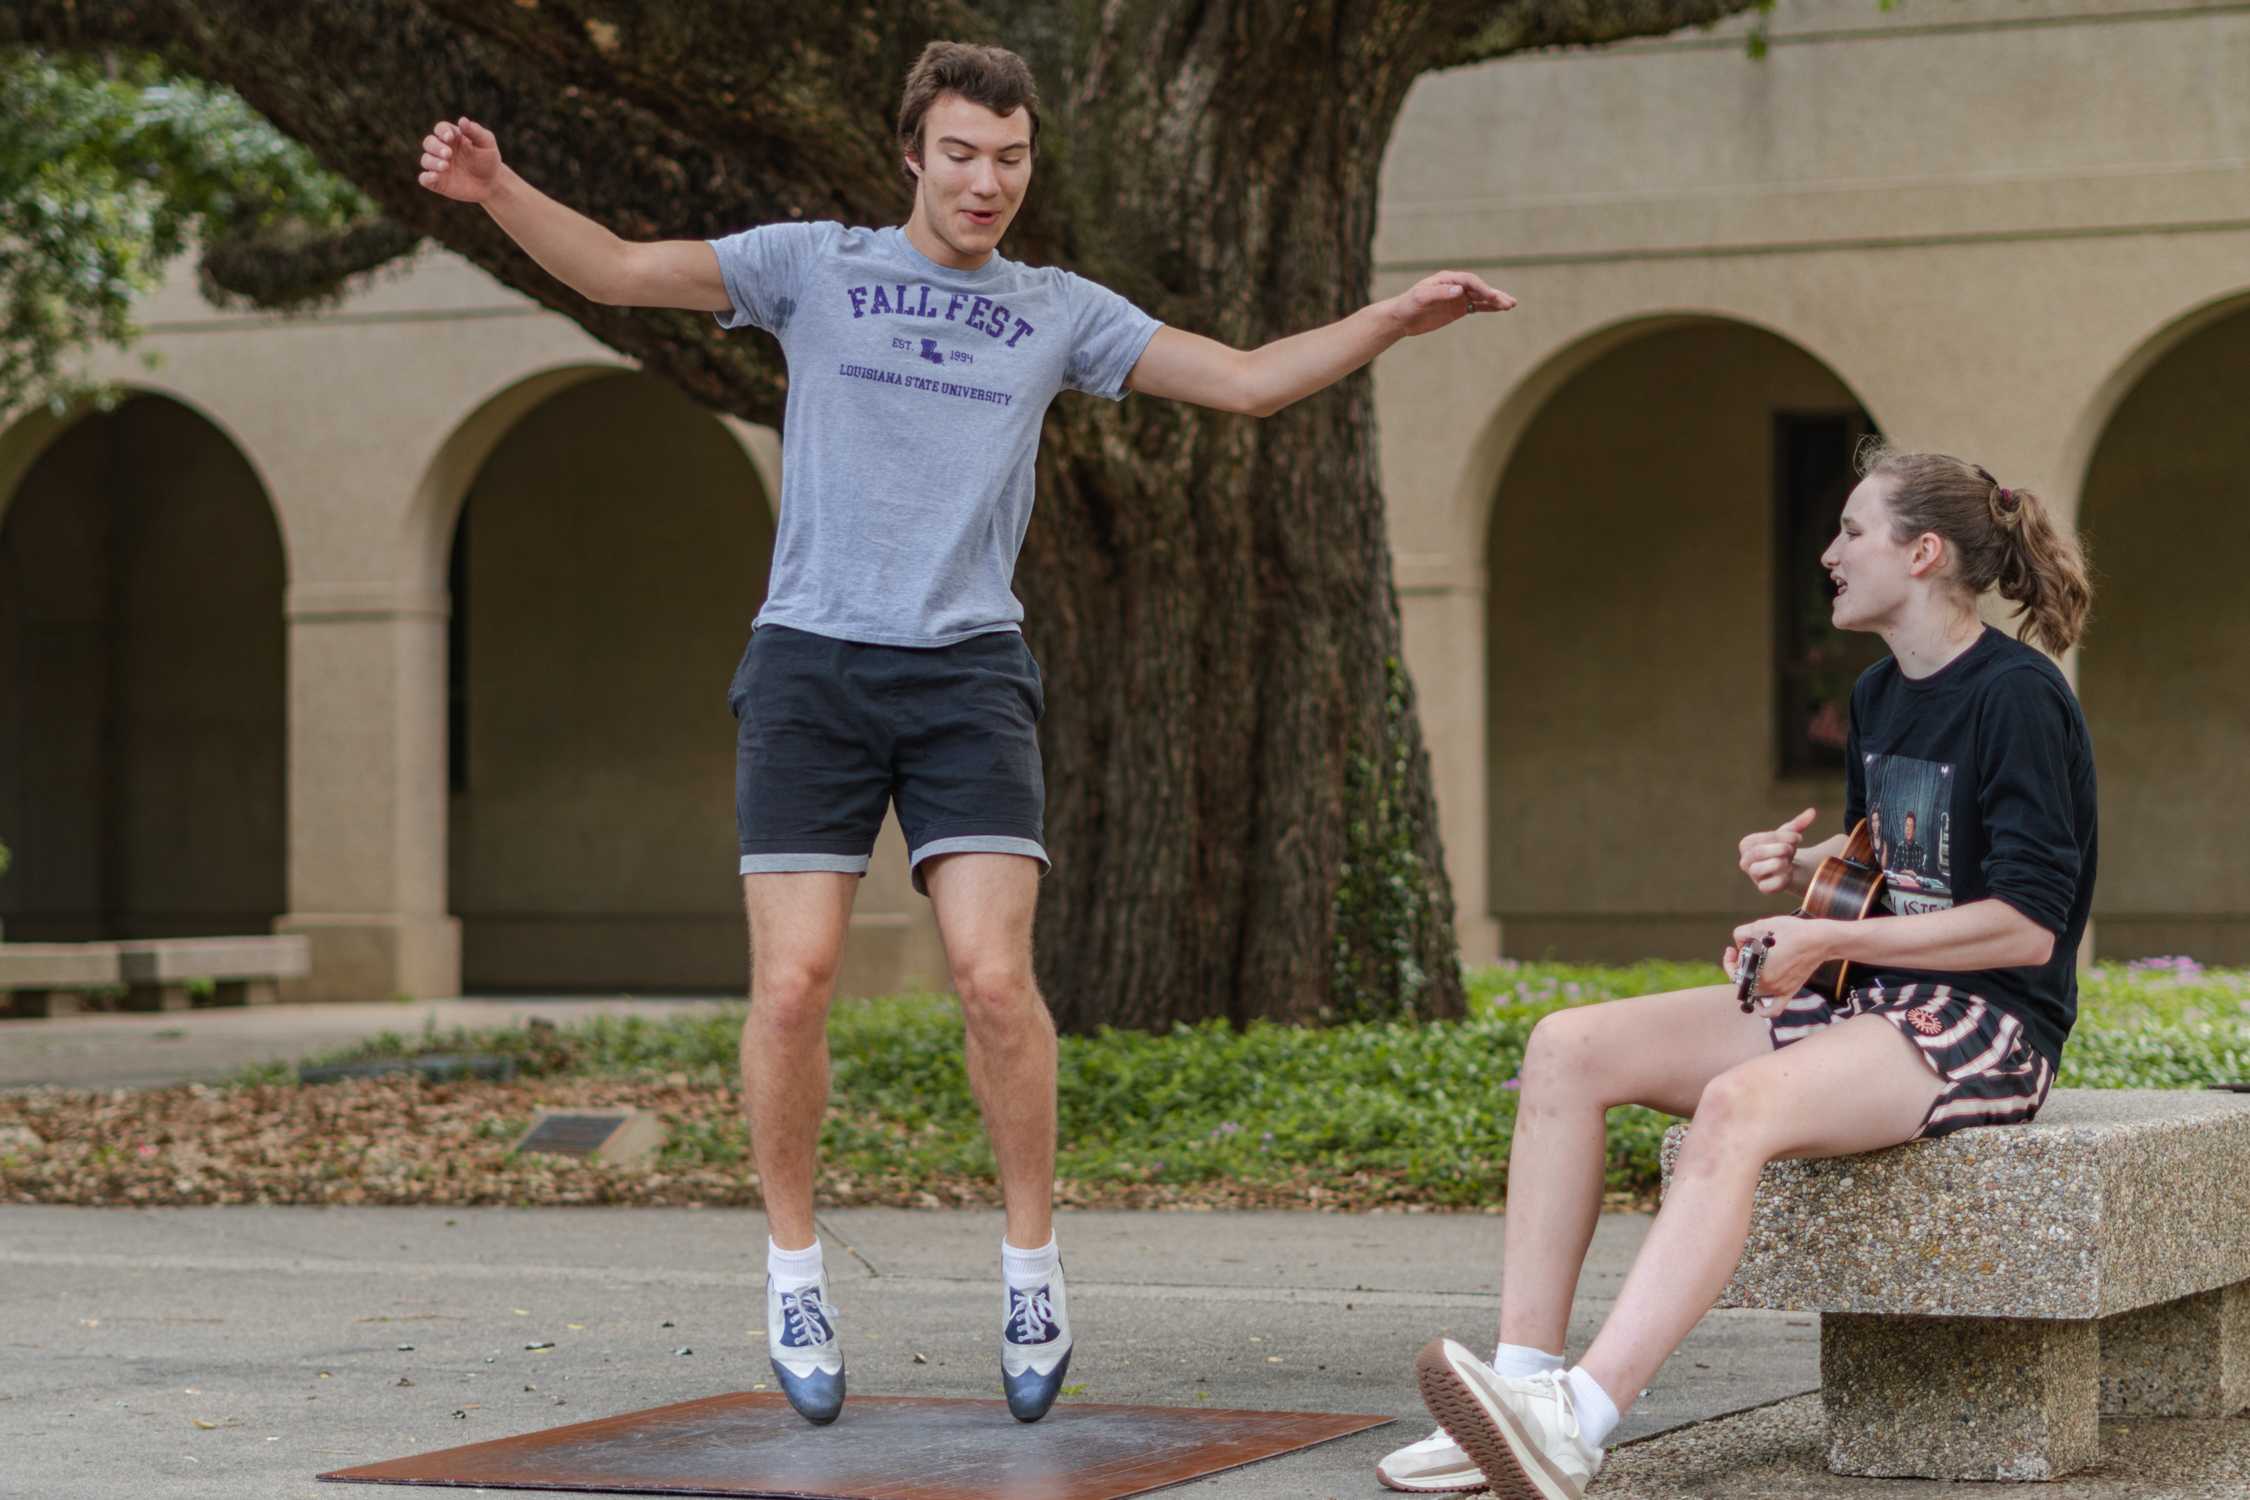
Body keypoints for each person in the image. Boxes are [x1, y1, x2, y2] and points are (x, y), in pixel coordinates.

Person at [414, 40, 1513, 1427]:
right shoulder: (812, 265)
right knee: (796, 983)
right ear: (911, 156)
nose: (986, 181)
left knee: (994, 982)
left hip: (965, 673)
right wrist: (499, 188)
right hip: (812, 662)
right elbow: (623, 271)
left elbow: (1239, 381)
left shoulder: (1055, 311)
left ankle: (1031, 1268)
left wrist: (1390, 319)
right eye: (960, 154)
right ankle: (796, 1272)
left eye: (1010, 157)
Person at [1382, 442, 2096, 1497]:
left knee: (1735, 1104)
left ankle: (1580, 1421)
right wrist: (1811, 882)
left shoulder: (2019, 698)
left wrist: (1832, 942)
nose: (1829, 553)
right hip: (1883, 1002)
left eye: (1852, 531)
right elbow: (1904, 865)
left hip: (1986, 1029)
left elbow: (2029, 928)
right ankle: (1520, 1395)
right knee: (1566, 1048)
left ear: (1925, 551)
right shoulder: (1879, 695)